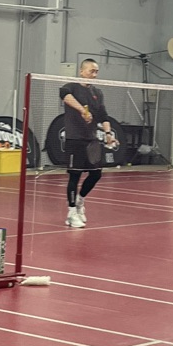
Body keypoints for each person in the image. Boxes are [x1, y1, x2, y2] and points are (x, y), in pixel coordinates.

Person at [60, 57, 117, 229]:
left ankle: (80, 200)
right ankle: (71, 214)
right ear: (82, 71)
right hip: (74, 138)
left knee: (96, 174)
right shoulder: (71, 87)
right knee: (75, 176)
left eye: (96, 71)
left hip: (91, 140)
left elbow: (103, 115)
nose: (95, 74)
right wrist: (82, 110)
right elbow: (64, 95)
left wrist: (108, 133)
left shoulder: (97, 93)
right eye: (92, 71)